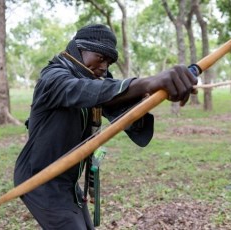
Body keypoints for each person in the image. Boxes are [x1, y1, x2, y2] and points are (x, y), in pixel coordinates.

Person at [14, 24, 198, 230]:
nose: (104, 67)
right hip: (40, 180)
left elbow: (119, 105)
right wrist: (146, 83)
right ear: (79, 49)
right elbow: (85, 90)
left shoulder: (92, 78)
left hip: (66, 180)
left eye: (108, 62)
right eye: (100, 58)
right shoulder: (53, 77)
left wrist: (146, 96)